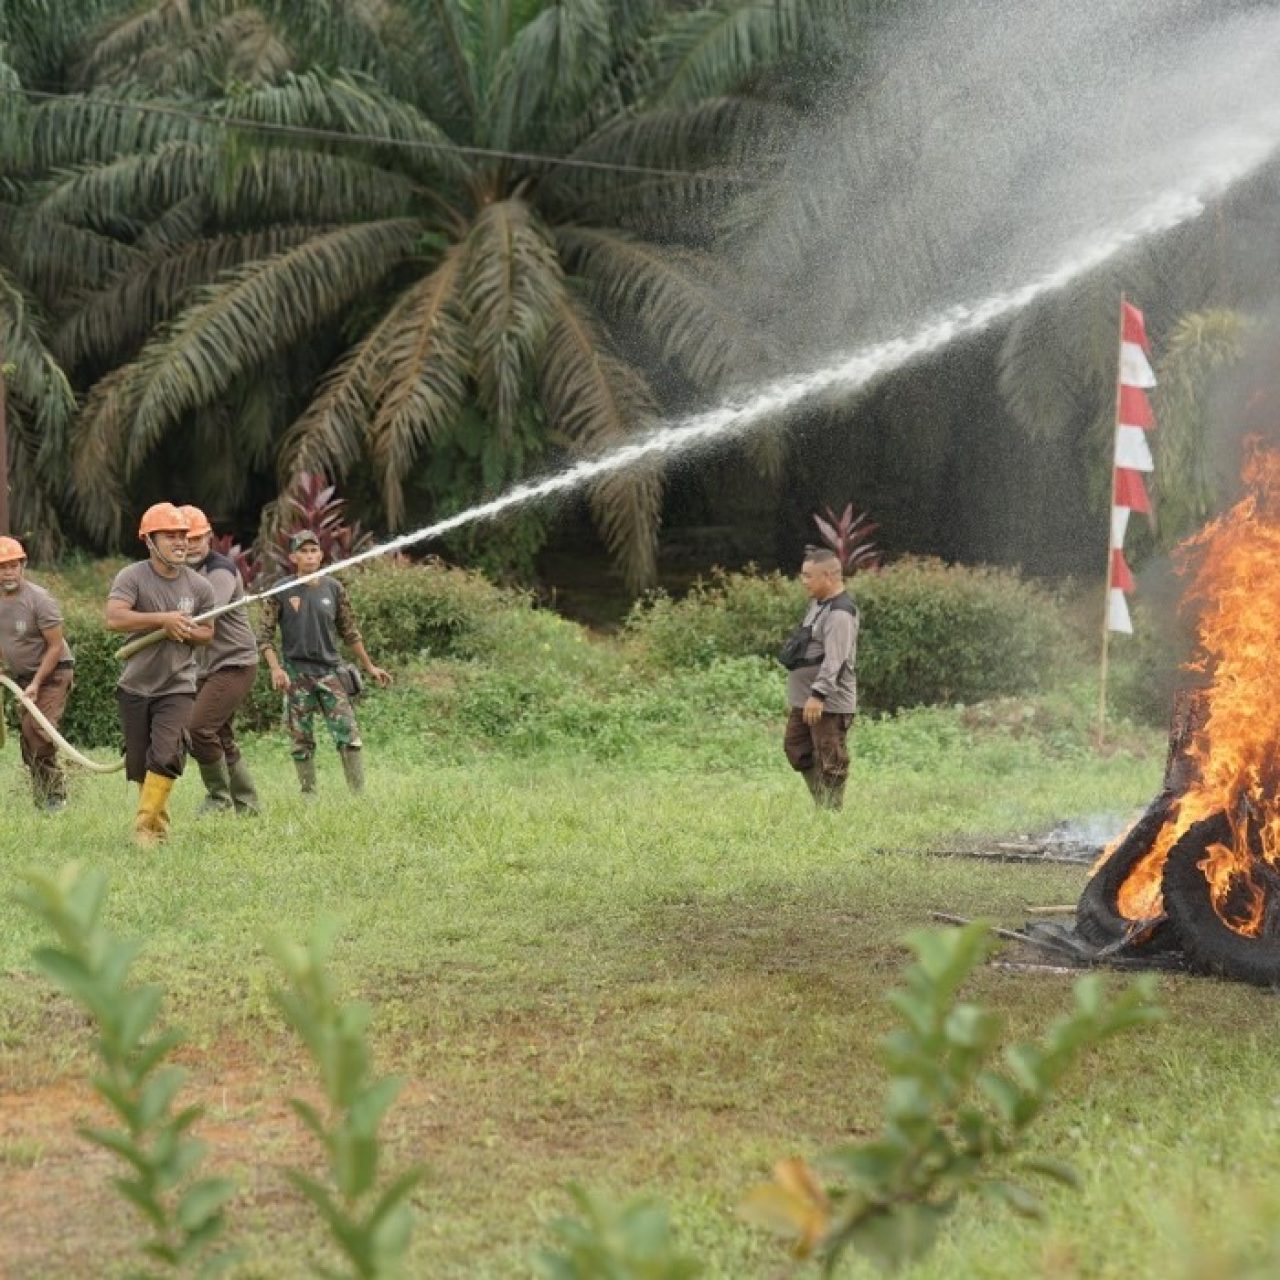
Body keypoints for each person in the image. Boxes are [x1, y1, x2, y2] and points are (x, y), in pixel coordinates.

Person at [105, 503, 216, 843]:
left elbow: (207, 632)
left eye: (184, 536)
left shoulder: (199, 587)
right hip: (135, 685)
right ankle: (158, 828)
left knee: (167, 754)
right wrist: (162, 620)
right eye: (171, 536)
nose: (181, 542)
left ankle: (143, 831)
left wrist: (186, 631)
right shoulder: (132, 577)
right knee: (140, 764)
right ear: (150, 541)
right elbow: (115, 619)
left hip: (177, 686)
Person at [256, 529, 391, 796]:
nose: (309, 556)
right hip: (296, 674)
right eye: (303, 552)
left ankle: (358, 795)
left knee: (348, 734)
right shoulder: (281, 591)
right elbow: (264, 636)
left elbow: (349, 631)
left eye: (313, 551)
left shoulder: (334, 589)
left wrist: (370, 666)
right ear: (294, 556)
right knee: (300, 738)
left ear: (321, 554)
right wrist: (275, 668)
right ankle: (308, 794)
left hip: (330, 672)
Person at [182, 505, 261, 816]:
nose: (189, 545)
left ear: (208, 538)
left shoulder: (221, 570)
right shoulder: (179, 574)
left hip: (234, 663)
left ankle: (218, 797)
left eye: (196, 538)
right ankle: (249, 806)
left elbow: (208, 610)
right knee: (220, 734)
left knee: (199, 728)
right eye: (183, 538)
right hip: (206, 667)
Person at [779, 547, 859, 810]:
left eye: (808, 576)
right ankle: (823, 803)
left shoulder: (840, 613)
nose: (803, 581)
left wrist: (818, 695)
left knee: (830, 758)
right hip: (804, 698)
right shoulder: (818, 605)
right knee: (796, 748)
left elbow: (835, 660)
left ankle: (831, 813)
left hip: (827, 702)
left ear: (828, 576)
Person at [0, 536, 75, 811]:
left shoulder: (38, 599)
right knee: (29, 737)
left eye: (13, 566)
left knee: (39, 731)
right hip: (22, 678)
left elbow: (55, 647)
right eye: (2, 567)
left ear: (23, 565)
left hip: (53, 673)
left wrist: (36, 683)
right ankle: (43, 796)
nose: (8, 572)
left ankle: (56, 795)